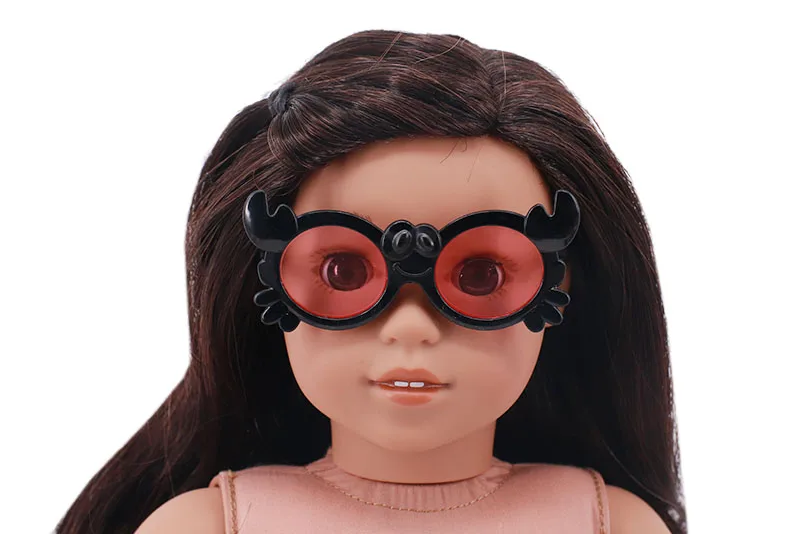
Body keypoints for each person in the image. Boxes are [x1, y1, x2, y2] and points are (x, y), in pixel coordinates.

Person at [57, 30, 686, 533]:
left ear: (559, 290)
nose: (410, 327)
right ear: (268, 280)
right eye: (344, 271)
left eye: (480, 274)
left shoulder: (609, 522)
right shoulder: (212, 525)